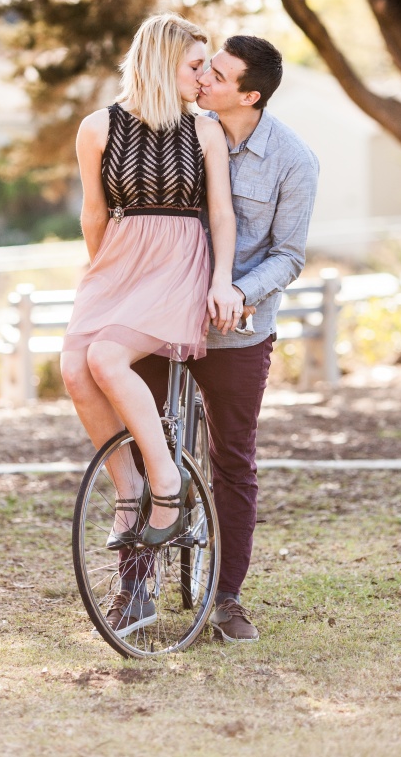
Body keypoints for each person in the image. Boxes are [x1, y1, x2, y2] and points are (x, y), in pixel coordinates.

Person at [134, 34, 319, 643]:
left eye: (218, 75)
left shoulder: (294, 160)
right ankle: (134, 586)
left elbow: (289, 255)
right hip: (161, 319)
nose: (203, 80)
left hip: (238, 331)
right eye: (204, 69)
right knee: (143, 445)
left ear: (251, 94)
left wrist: (239, 293)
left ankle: (227, 598)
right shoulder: (178, 128)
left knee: (232, 460)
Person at [60, 13, 239, 634]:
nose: (204, 77)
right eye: (195, 66)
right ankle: (129, 490)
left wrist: (221, 280)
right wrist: (103, 277)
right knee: (74, 368)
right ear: (163, 63)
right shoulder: (98, 126)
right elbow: (93, 212)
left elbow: (221, 215)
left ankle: (167, 487)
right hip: (117, 261)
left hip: (178, 263)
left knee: (108, 358)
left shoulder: (205, 130)